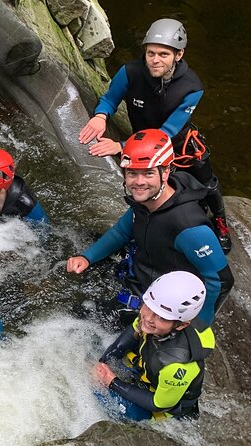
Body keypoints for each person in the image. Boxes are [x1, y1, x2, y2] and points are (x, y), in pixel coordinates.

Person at [78, 18, 231, 253]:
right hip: (140, 145)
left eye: (163, 54)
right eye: (150, 53)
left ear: (178, 55)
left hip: (179, 146)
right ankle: (144, 233)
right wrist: (100, 116)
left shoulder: (191, 86)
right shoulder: (130, 72)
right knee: (148, 192)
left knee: (207, 183)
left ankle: (220, 222)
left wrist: (121, 146)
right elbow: (110, 99)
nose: (155, 60)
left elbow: (167, 132)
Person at [67, 129, 233, 326]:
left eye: (148, 173)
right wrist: (87, 257)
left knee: (79, 322)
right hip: (138, 279)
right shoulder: (146, 201)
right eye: (132, 173)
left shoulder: (188, 226)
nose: (139, 182)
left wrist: (196, 327)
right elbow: (122, 231)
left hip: (158, 305)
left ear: (165, 172)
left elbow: (221, 281)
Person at [95, 271, 214, 421]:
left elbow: (158, 403)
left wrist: (112, 382)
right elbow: (128, 336)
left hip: (162, 405)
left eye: (162, 317)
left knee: (101, 397)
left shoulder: (177, 365)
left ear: (181, 325)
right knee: (94, 349)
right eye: (149, 307)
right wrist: (102, 363)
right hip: (148, 369)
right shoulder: (152, 317)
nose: (148, 318)